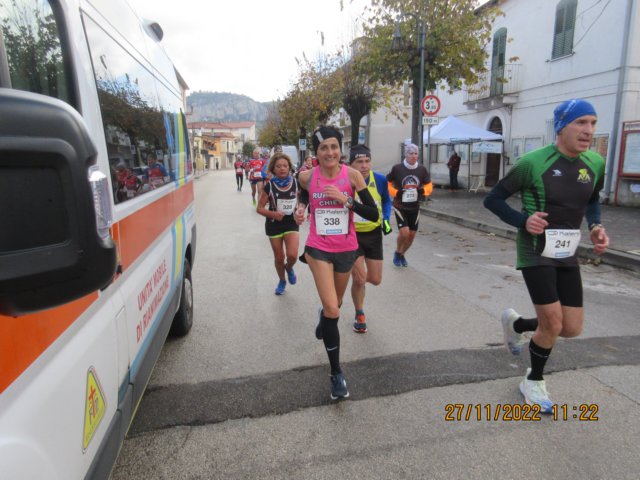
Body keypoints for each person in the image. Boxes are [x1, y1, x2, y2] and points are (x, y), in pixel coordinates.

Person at [483, 98, 609, 412]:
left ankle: (517, 326)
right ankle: (533, 380)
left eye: (592, 123)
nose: (588, 130)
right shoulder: (532, 163)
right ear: (561, 126)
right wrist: (523, 221)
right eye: (581, 122)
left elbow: (592, 200)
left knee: (571, 327)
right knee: (552, 322)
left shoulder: (595, 162)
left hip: (567, 252)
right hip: (535, 250)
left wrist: (595, 226)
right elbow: (493, 199)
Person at [294, 126, 379, 400]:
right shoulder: (307, 176)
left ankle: (325, 316)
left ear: (340, 149)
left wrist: (347, 201)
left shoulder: (352, 175)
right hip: (318, 248)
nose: (330, 152)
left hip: (346, 249)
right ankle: (336, 373)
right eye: (323, 148)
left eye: (334, 146)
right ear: (316, 152)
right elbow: (303, 194)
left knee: (336, 306)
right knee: (333, 308)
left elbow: (373, 213)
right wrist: (300, 209)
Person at [348, 144, 392, 333]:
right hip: (352, 235)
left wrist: (386, 219)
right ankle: (359, 313)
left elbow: (387, 200)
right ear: (351, 164)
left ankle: (350, 280)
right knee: (359, 279)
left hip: (373, 234)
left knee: (374, 279)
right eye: (359, 161)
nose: (364, 165)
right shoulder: (345, 180)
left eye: (367, 161)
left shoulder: (380, 179)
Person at [256, 153, 299, 295]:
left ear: (289, 167)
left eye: (285, 166)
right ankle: (282, 280)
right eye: (278, 166)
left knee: (292, 255)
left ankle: (289, 267)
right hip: (274, 224)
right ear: (273, 169)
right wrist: (273, 214)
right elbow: (259, 209)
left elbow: (303, 201)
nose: (282, 168)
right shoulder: (269, 186)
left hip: (291, 223)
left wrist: (300, 210)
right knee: (279, 258)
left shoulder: (296, 183)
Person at [386, 143, 432, 267]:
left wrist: (423, 191)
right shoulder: (397, 168)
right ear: (405, 154)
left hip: (414, 206)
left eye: (416, 153)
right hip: (400, 205)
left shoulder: (422, 169)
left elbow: (429, 185)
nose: (413, 156)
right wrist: (396, 192)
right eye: (411, 153)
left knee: (411, 235)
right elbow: (387, 183)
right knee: (404, 233)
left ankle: (401, 254)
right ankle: (397, 251)